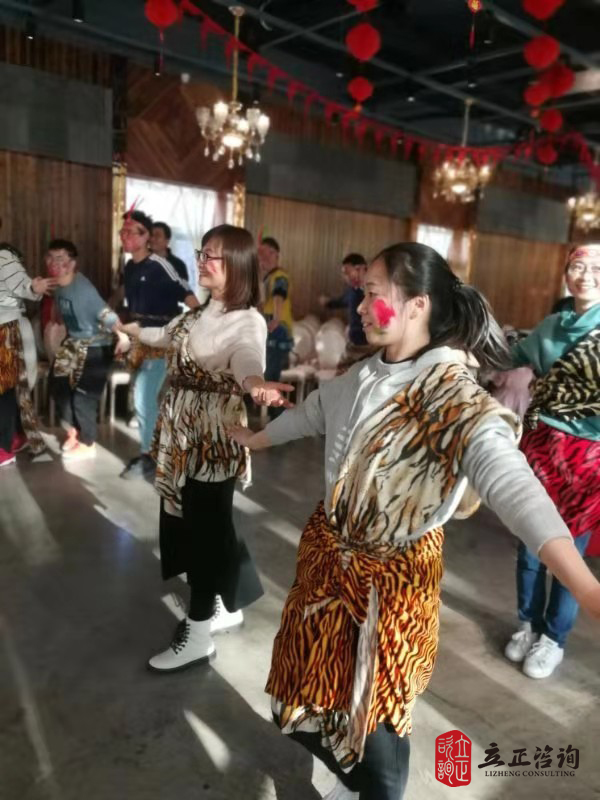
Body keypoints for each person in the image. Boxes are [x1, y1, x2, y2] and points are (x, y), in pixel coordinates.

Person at [228, 242, 600, 800]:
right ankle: (348, 775)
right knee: (314, 691)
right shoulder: (362, 375)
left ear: (417, 304)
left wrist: (586, 587)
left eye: (372, 294)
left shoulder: (453, 398)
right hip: (329, 564)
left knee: (378, 717)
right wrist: (253, 439)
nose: (360, 306)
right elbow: (309, 415)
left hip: (392, 584)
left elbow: (514, 486)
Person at [122, 225, 293, 672]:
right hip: (182, 434)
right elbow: (165, 335)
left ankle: (198, 635)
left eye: (213, 255)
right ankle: (227, 603)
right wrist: (129, 330)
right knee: (207, 524)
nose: (202, 261)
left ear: (237, 264)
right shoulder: (200, 313)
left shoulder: (247, 319)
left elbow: (248, 359)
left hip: (212, 438)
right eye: (203, 252)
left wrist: (255, 386)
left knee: (203, 531)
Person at [503, 242, 600, 679]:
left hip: (588, 459)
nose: (585, 275)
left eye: (596, 268)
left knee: (568, 554)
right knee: (529, 547)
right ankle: (528, 623)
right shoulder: (552, 326)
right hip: (541, 448)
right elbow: (508, 356)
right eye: (577, 266)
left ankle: (553, 638)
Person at [118, 210, 199, 481]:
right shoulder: (130, 267)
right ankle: (153, 451)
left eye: (131, 232)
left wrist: (204, 326)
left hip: (161, 340)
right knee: (142, 398)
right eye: (123, 231)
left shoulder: (160, 265)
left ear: (146, 238)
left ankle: (151, 456)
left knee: (143, 398)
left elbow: (187, 293)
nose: (125, 236)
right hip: (140, 339)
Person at [47, 239, 129, 461]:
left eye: (60, 258)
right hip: (73, 343)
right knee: (58, 385)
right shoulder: (58, 285)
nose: (54, 263)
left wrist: (122, 336)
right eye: (50, 258)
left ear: (72, 263)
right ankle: (75, 430)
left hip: (96, 347)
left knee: (84, 398)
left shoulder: (83, 290)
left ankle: (87, 443)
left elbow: (106, 314)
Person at [0, 243, 55, 466]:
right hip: (7, 329)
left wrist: (33, 287)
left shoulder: (4, 255)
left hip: (8, 330)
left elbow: (23, 285)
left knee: (7, 391)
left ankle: (5, 448)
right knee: (13, 391)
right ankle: (19, 438)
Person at [258, 236, 294, 417]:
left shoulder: (280, 276)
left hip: (279, 331)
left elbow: (279, 296)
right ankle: (276, 417)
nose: (262, 257)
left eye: (265, 253)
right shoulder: (268, 277)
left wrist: (276, 319)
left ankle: (279, 417)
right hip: (270, 330)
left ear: (275, 254)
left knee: (272, 375)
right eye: (260, 254)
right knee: (269, 375)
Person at [319, 252, 374, 370]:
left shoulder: (374, 289)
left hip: (368, 346)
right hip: (354, 344)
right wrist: (328, 303)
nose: (346, 277)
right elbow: (342, 301)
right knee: (341, 373)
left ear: (360, 269)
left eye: (347, 272)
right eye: (344, 274)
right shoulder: (353, 290)